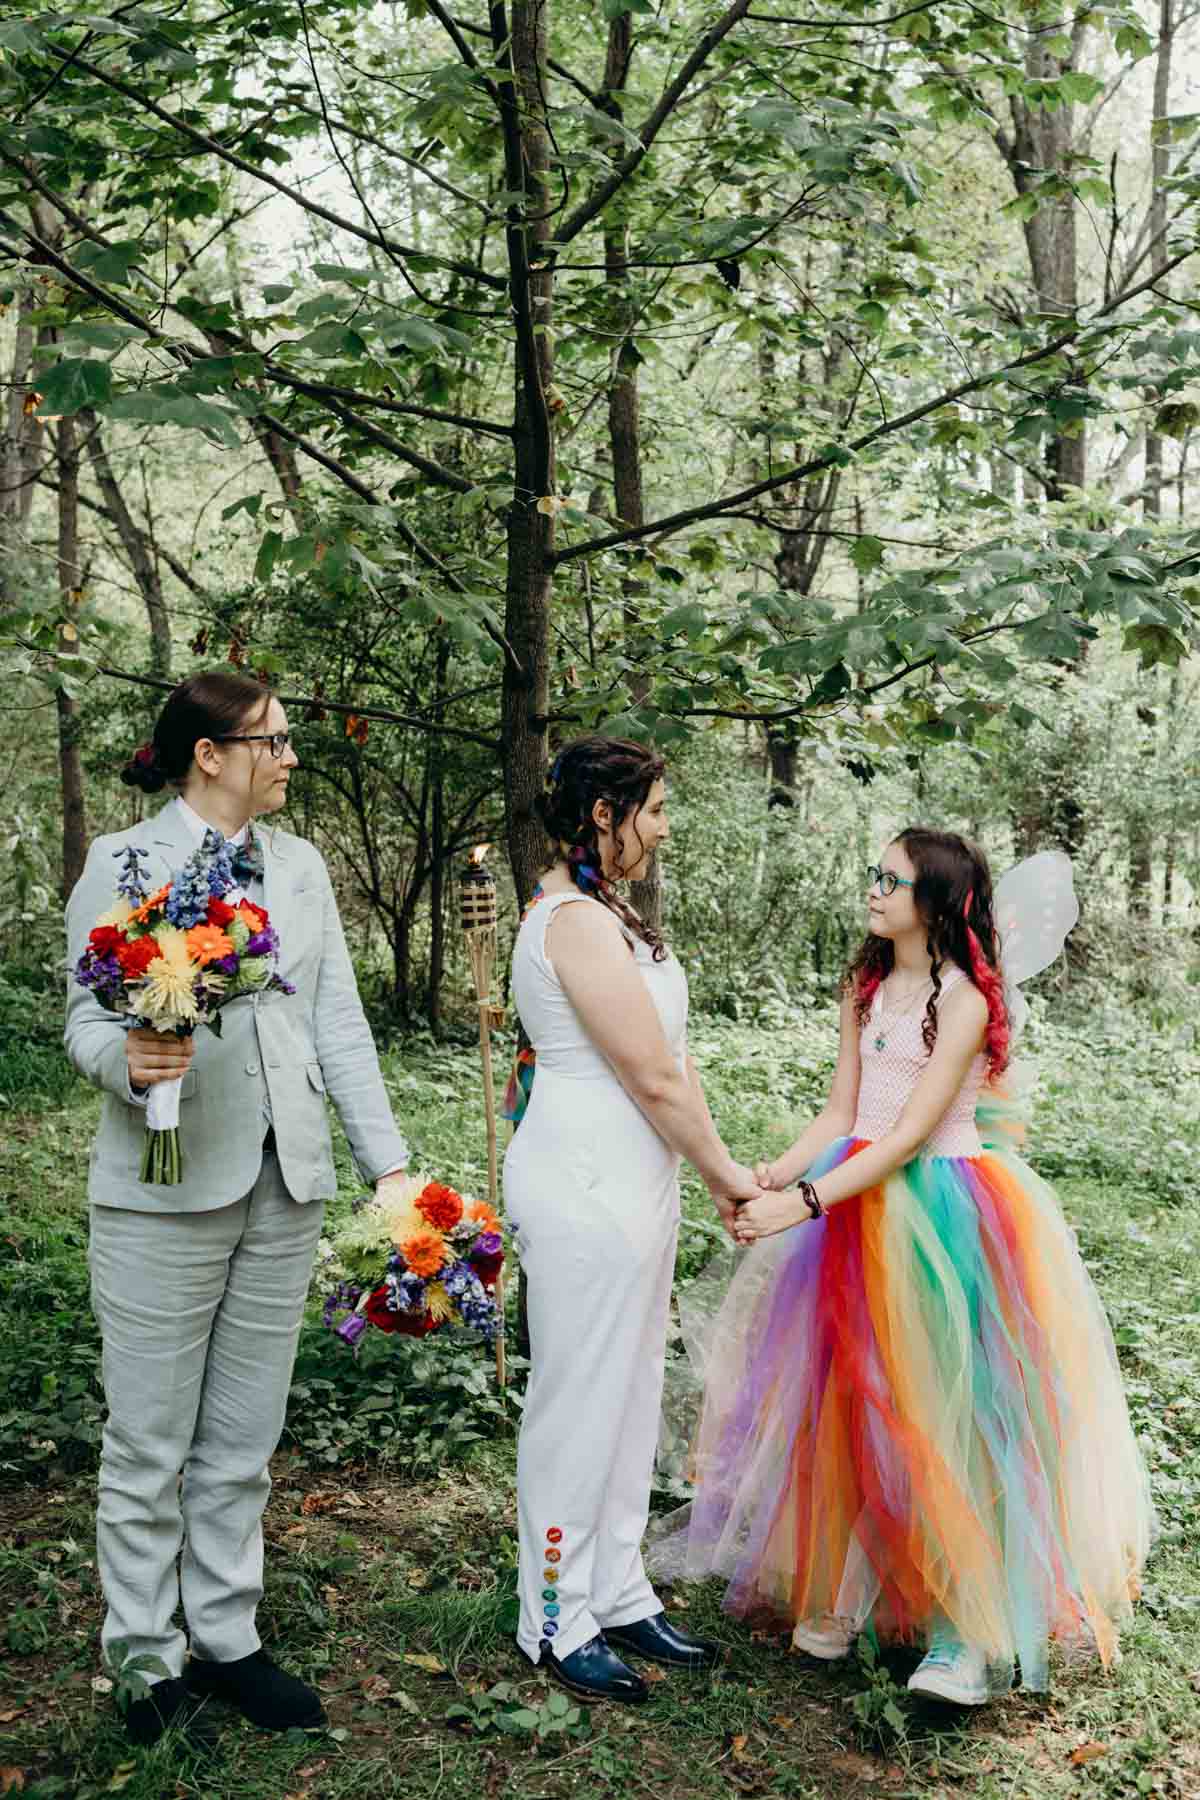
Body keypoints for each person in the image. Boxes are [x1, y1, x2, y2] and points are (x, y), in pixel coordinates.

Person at [664, 828, 1151, 1706]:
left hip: (942, 1215)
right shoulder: (866, 987)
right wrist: (777, 1173)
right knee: (849, 1396)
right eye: (873, 872)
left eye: (891, 878)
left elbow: (911, 1135)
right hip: (853, 1202)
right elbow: (843, 1112)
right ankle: (851, 1589)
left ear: (936, 899)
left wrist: (806, 1203)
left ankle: (961, 1632)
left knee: (945, 1411)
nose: (873, 888)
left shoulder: (962, 997)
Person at [65, 672, 411, 1745]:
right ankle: (144, 1657)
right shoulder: (120, 864)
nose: (289, 758)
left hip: (284, 1183)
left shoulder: (301, 868)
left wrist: (386, 1167)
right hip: (162, 1188)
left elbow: (339, 1027)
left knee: (241, 1439)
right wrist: (135, 1059)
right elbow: (82, 1018)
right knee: (150, 1440)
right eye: (271, 740)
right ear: (208, 753)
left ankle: (225, 1634)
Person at [503, 736, 762, 1704]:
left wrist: (712, 1170)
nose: (662, 827)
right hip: (581, 1178)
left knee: (633, 1383)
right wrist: (729, 1175)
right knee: (577, 1394)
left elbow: (677, 1065)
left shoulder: (614, 911)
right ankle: (555, 1611)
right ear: (602, 816)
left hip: (637, 1180)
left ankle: (616, 1586)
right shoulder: (568, 920)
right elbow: (648, 1074)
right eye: (650, 809)